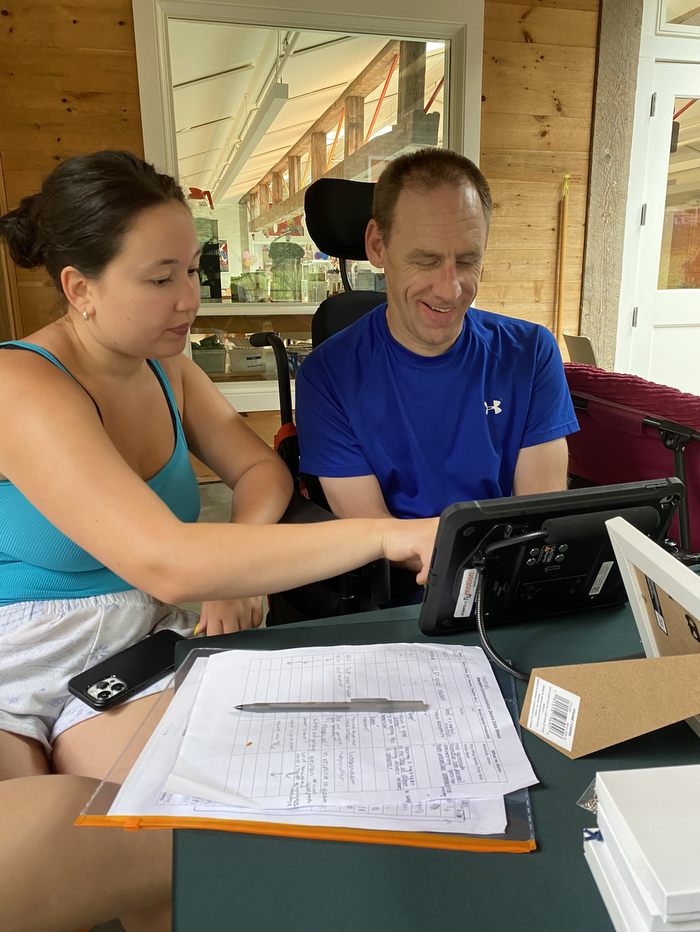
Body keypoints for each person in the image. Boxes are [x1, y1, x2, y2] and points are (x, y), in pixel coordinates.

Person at [0, 150, 438, 932]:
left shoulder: (166, 368)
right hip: (18, 654)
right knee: (55, 851)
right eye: (160, 277)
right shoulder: (20, 383)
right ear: (80, 288)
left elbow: (260, 471)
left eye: (194, 270)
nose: (189, 300)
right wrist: (380, 534)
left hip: (127, 647)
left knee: (175, 841)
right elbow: (165, 559)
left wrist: (234, 568)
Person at [295, 148, 579, 595]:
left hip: (512, 581)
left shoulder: (531, 352)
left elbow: (539, 513)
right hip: (405, 593)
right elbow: (373, 533)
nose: (449, 289)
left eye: (467, 261)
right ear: (377, 246)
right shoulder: (326, 377)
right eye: (426, 261)